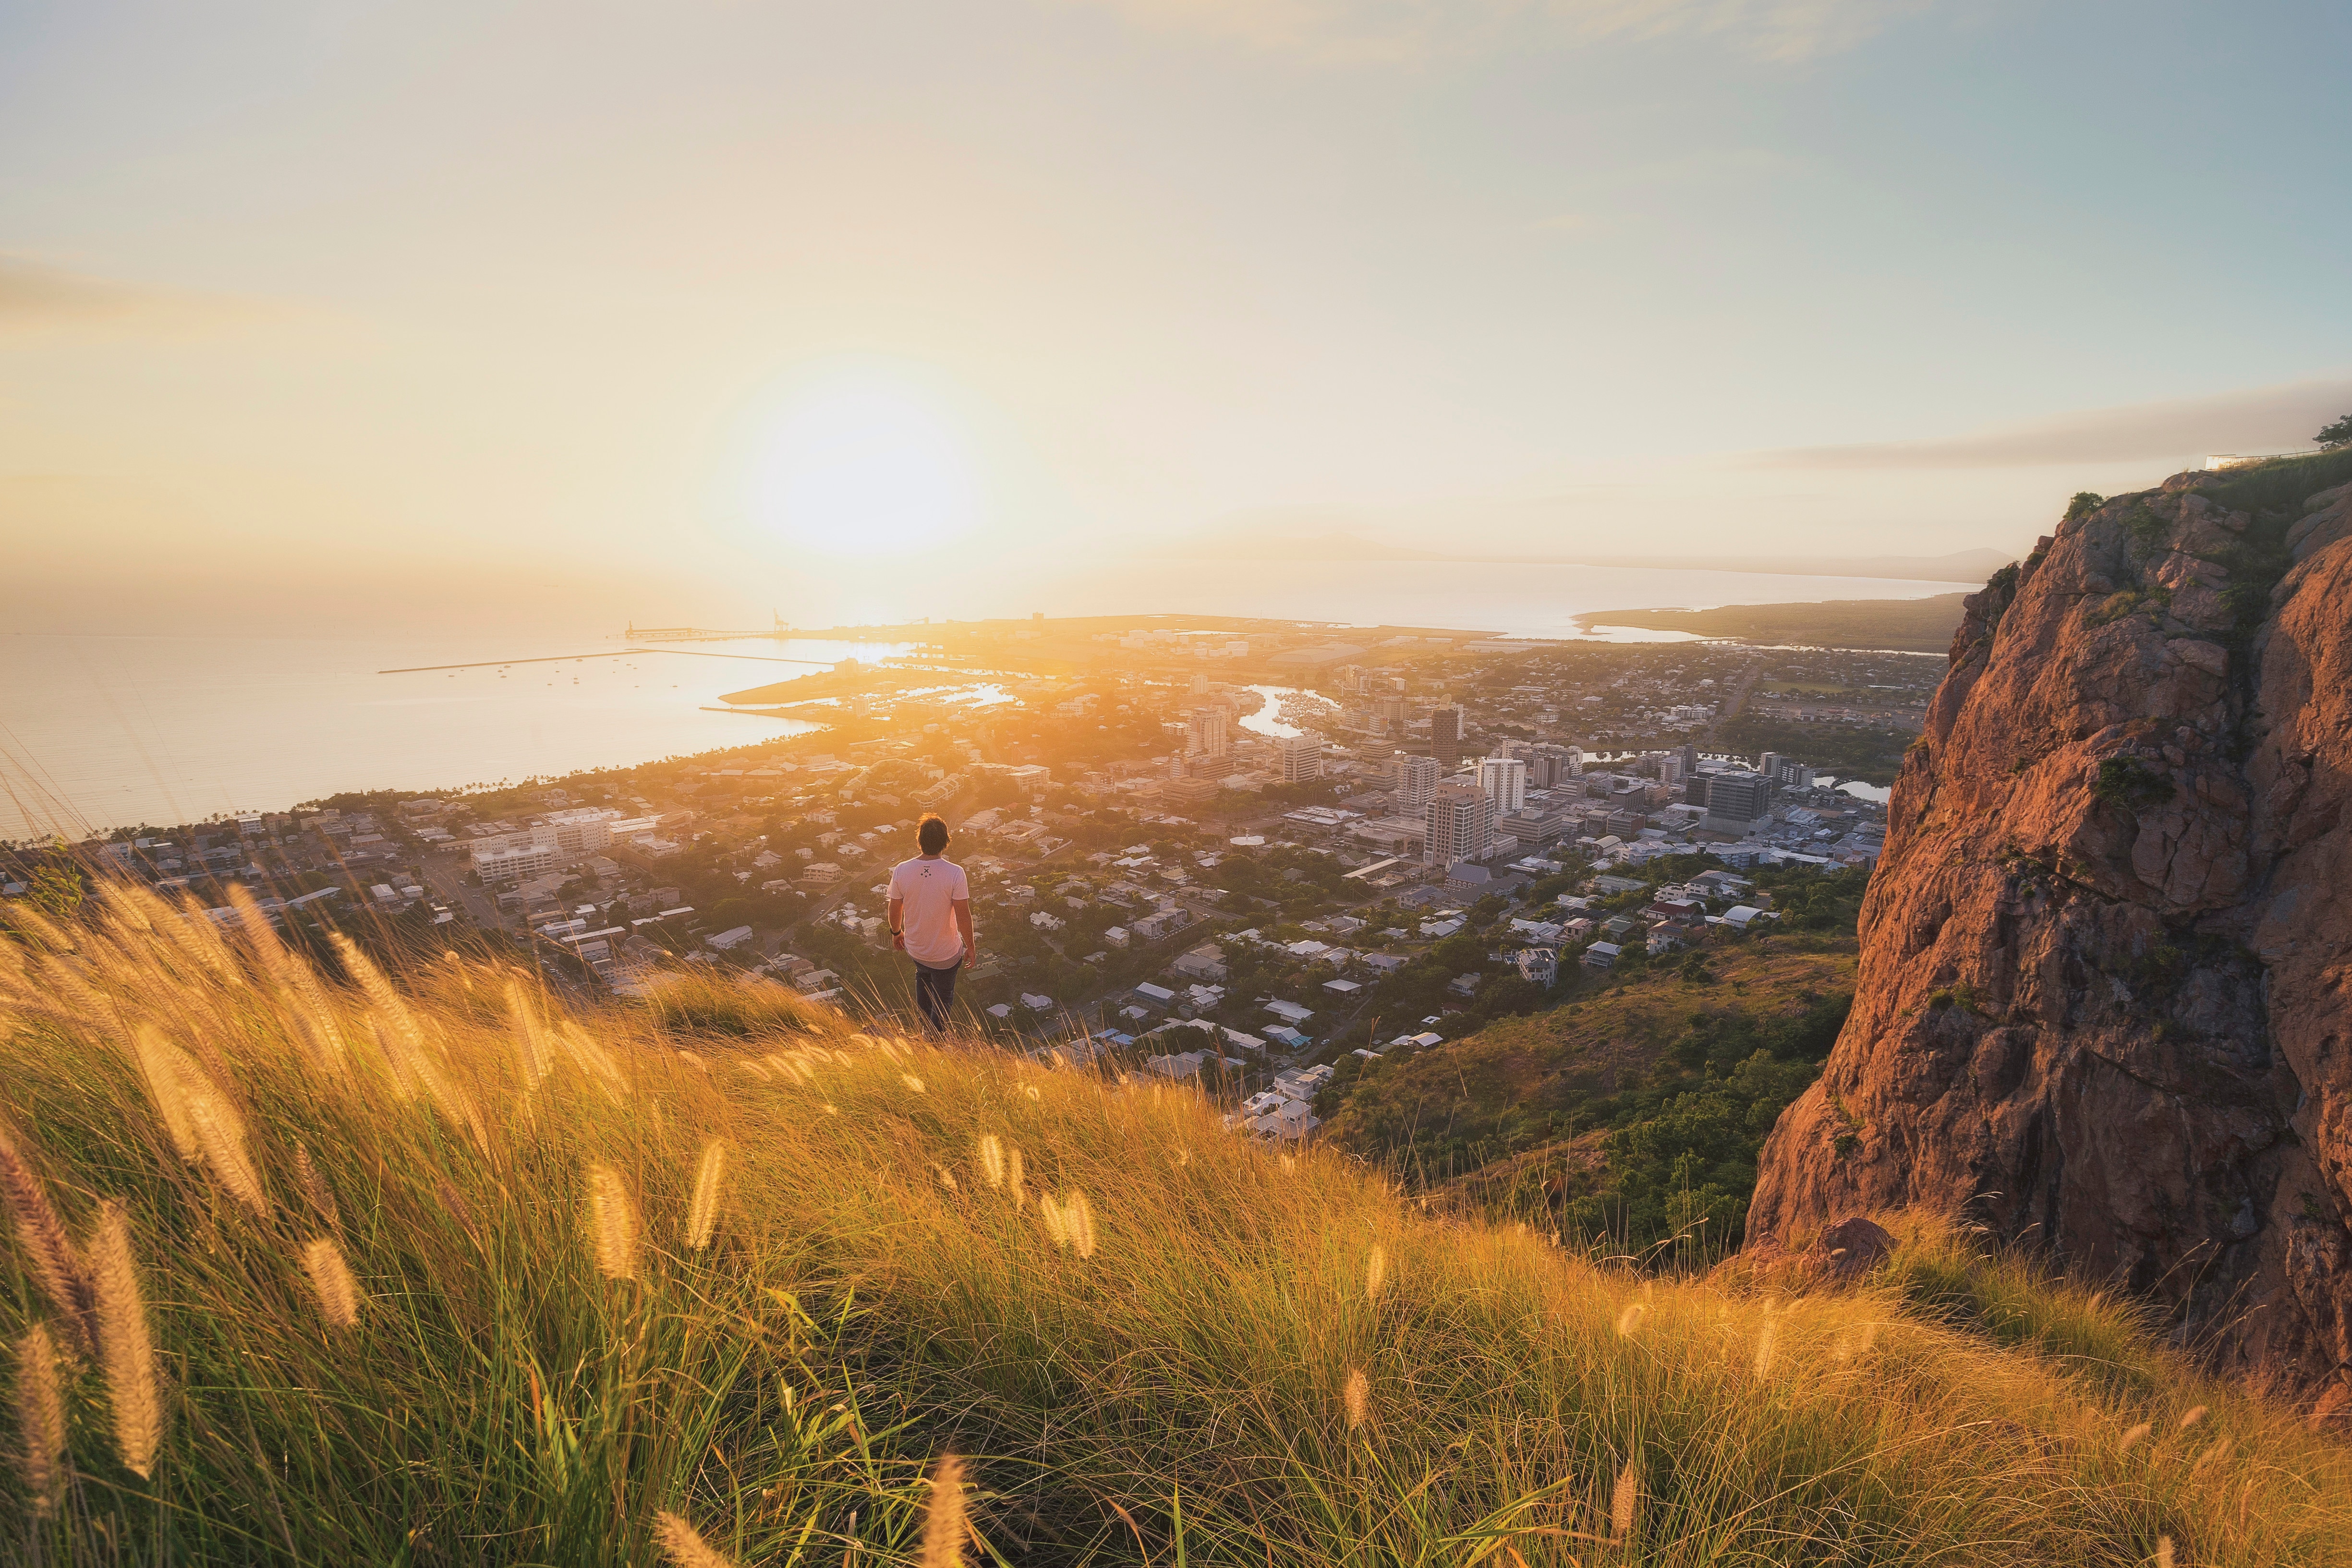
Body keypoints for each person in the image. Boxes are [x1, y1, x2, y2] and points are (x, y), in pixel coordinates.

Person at [888, 814, 975, 1033]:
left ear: (920, 840)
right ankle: (935, 1039)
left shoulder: (902, 870)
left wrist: (896, 932)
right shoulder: (955, 873)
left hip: (915, 948)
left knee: (923, 975)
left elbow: (895, 907)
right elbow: (963, 915)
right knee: (944, 1000)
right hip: (945, 952)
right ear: (946, 842)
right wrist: (971, 946)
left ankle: (925, 1027)